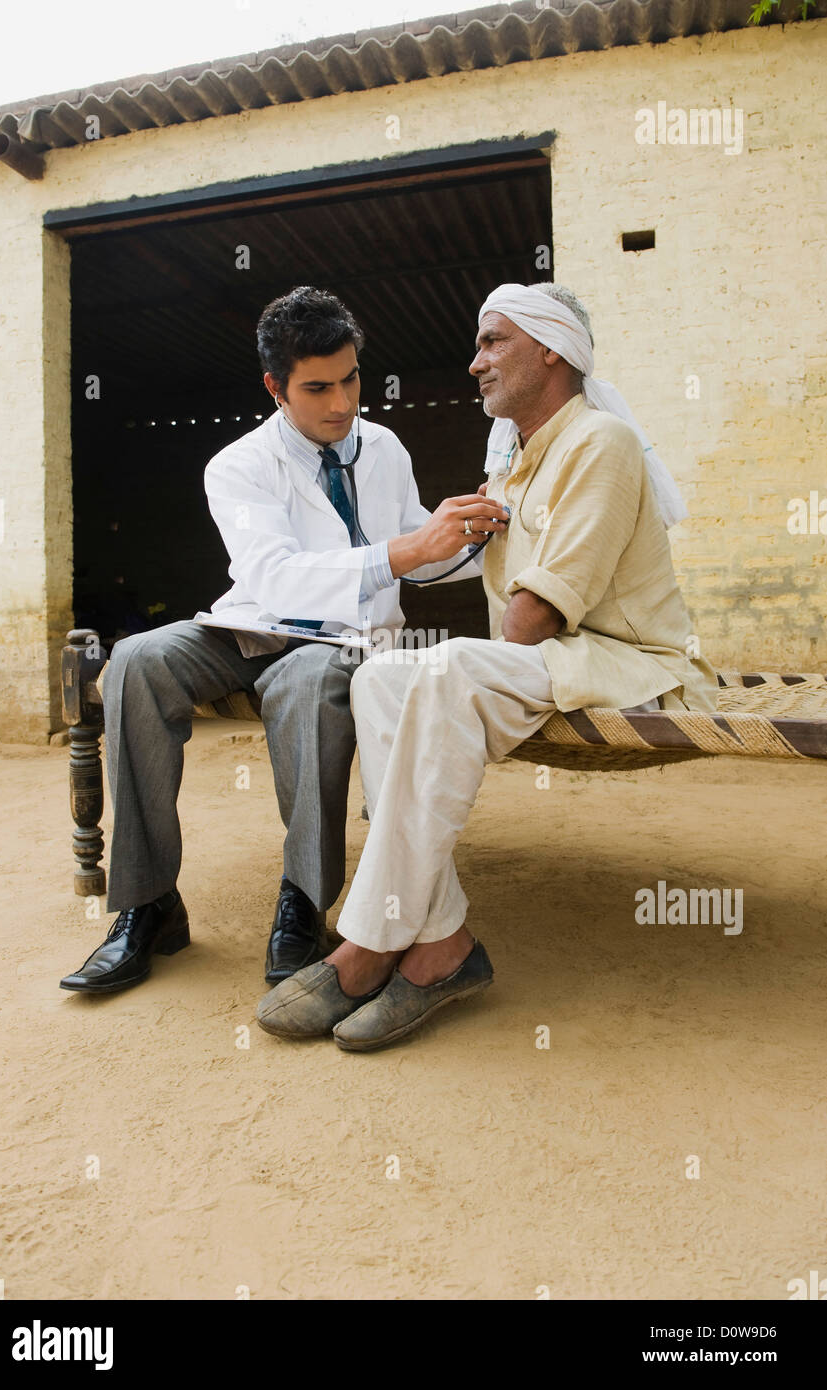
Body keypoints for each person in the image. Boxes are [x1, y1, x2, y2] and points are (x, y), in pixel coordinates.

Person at [256, 282, 720, 1049]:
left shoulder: (596, 442)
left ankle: (370, 941)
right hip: (557, 659)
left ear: (551, 349)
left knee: (440, 673)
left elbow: (528, 619)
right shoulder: (515, 459)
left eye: (491, 341)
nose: (474, 363)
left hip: (634, 662)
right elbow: (498, 611)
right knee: (380, 675)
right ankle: (440, 943)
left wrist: (470, 663)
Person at [59, 285, 508, 996]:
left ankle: (303, 901)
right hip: (251, 625)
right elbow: (275, 578)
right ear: (275, 386)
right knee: (136, 661)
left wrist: (482, 532)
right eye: (318, 387)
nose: (341, 402)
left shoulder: (383, 448)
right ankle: (146, 906)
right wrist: (403, 552)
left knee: (306, 684)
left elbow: (423, 551)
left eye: (351, 378)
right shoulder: (237, 465)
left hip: (344, 641)